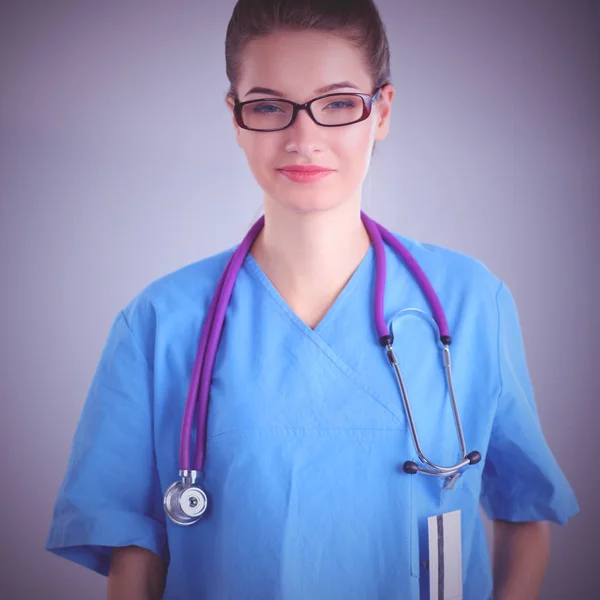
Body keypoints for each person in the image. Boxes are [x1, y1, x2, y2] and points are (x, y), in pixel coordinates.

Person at [45, 1, 580, 599]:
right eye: (269, 106)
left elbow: (525, 512)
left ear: (381, 113)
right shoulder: (161, 323)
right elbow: (134, 559)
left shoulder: (472, 301)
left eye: (338, 104)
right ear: (236, 119)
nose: (304, 138)